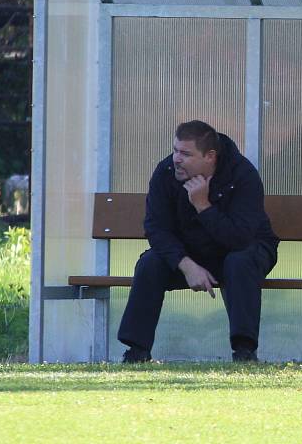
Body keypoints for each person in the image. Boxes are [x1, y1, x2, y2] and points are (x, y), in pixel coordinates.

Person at [118, 120, 279, 363]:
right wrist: (187, 266)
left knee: (239, 262)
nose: (176, 159)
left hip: (246, 249)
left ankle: (244, 352)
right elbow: (155, 229)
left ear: (210, 156)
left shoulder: (243, 175)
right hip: (192, 254)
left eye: (185, 153)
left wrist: (203, 206)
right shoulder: (165, 173)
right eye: (175, 150)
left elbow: (240, 237)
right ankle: (136, 352)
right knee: (150, 263)